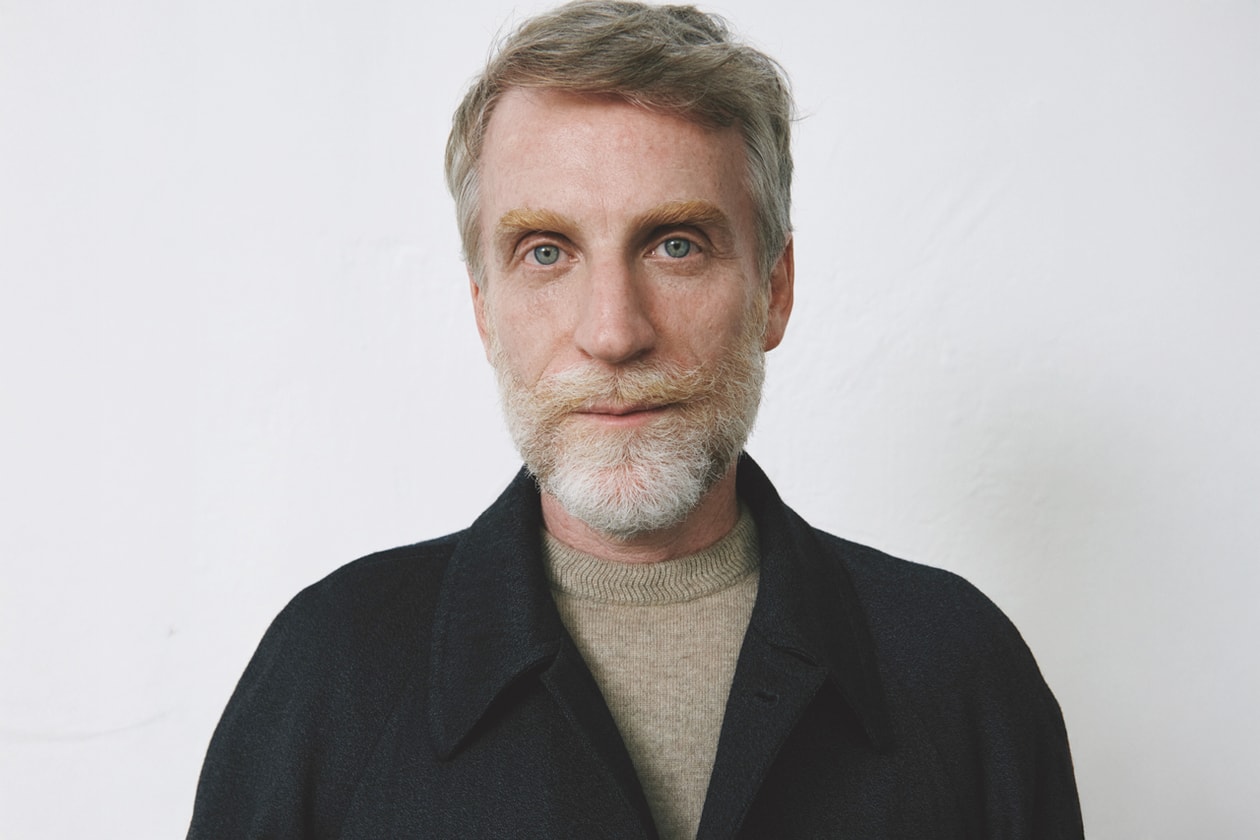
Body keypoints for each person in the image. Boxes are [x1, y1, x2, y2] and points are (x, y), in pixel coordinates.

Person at [187, 2, 1083, 837]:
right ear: (484, 310)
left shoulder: (963, 677)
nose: (614, 332)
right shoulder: (325, 677)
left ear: (774, 291)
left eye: (676, 244)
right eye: (546, 252)